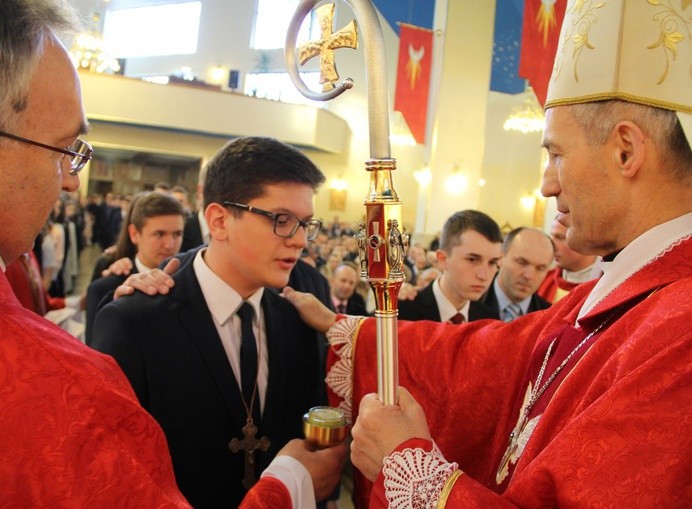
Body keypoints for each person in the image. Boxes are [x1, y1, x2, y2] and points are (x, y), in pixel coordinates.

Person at [0, 2, 344, 506]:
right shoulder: (113, 335)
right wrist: (293, 484)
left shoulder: (306, 308)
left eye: (305, 223)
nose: (71, 179)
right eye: (64, 149)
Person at [283, 1, 692, 505]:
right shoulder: (634, 293)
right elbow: (493, 356)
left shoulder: (680, 327)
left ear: (626, 151)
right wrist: (349, 331)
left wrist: (407, 466)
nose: (545, 185)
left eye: (556, 154)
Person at [93, 136, 337, 508]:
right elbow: (114, 476)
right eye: (283, 220)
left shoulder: (299, 318)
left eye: (306, 223)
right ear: (219, 220)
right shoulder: (134, 323)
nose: (300, 240)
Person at [85, 191, 184, 344]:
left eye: (177, 234)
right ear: (134, 233)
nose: (170, 245)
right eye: (159, 234)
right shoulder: (104, 288)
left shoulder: (187, 283)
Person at [398, 210, 503, 324]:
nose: (484, 275)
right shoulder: (401, 314)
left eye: (492, 262)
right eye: (472, 259)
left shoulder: (489, 319)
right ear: (443, 259)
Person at [480, 227, 553, 321]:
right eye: (522, 262)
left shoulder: (550, 317)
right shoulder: (468, 303)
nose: (529, 276)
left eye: (540, 268)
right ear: (500, 257)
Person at [538, 218, 599, 303]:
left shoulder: (606, 286)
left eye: (560, 237)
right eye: (552, 237)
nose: (551, 246)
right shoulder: (543, 279)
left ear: (587, 240)